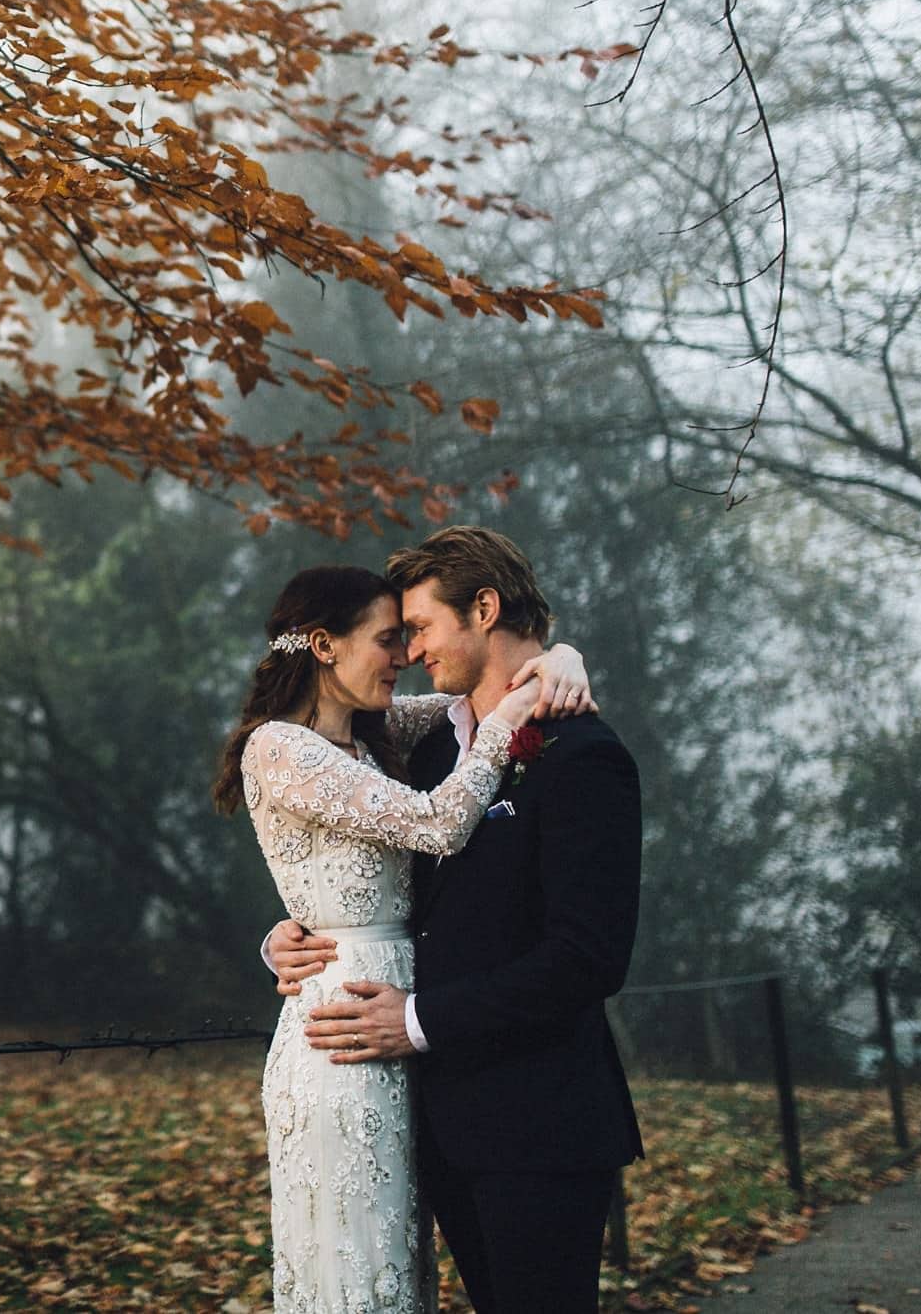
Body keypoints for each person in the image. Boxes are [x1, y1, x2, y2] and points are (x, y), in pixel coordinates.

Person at [266, 527, 644, 1312]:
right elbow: (369, 874)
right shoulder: (431, 749)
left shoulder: (582, 754)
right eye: (395, 635)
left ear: (484, 607)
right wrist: (286, 930)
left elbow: (587, 958)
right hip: (437, 1127)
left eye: (421, 628)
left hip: (540, 1126)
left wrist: (416, 1019)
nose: (410, 651)